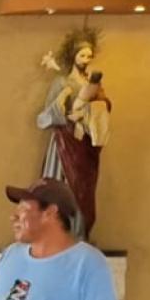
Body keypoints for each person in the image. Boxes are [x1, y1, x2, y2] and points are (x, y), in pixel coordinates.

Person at [36, 33, 111, 238]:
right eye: (82, 55)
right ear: (73, 56)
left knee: (83, 189)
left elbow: (104, 105)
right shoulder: (62, 82)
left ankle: (78, 232)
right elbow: (45, 116)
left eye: (89, 56)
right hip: (65, 143)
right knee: (63, 186)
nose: (86, 60)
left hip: (85, 143)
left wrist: (90, 111)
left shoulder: (91, 83)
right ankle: (57, 231)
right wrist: (65, 113)